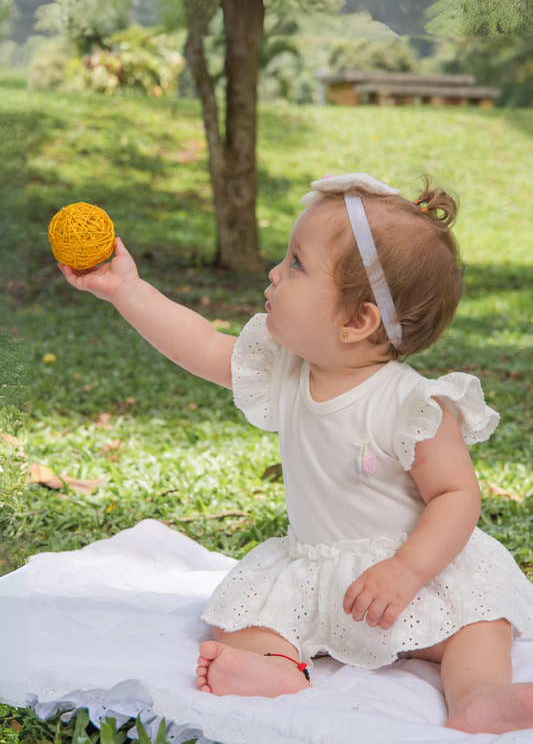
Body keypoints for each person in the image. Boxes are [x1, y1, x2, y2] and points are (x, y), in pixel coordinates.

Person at [59, 173, 533, 735]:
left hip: (418, 576)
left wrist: (407, 570)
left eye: (296, 264)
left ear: (357, 321)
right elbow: (204, 344)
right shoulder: (286, 373)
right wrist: (124, 289)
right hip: (322, 573)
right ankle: (277, 666)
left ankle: (481, 695)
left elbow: (456, 495)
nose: (274, 273)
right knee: (241, 619)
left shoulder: (413, 404)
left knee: (479, 626)